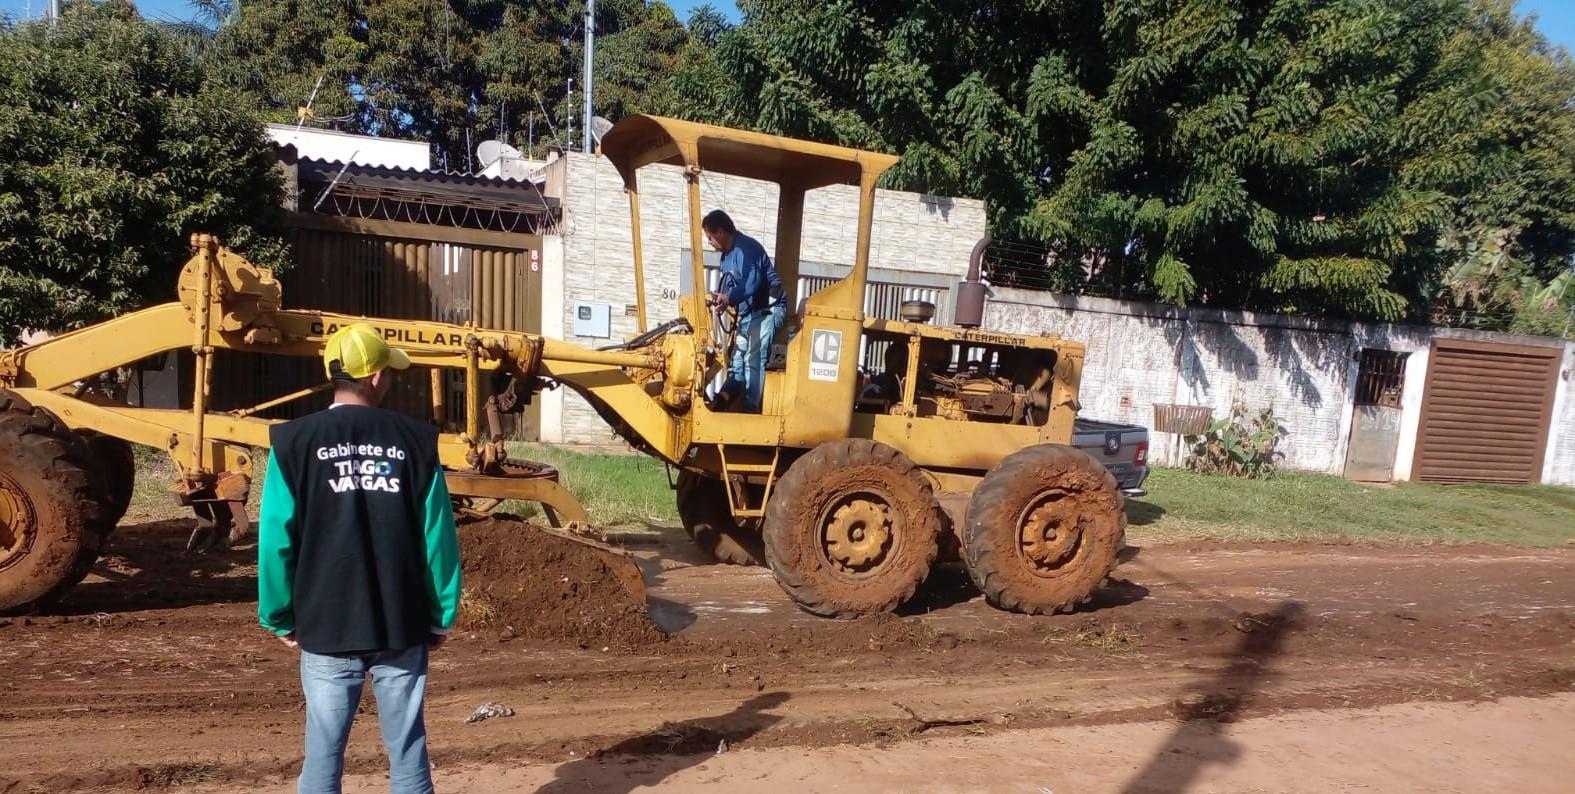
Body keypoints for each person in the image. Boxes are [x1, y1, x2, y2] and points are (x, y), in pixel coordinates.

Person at [257, 322, 461, 794]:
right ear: (374, 378)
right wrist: (441, 615)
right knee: (408, 748)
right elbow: (438, 539)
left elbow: (276, 538)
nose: (390, 379)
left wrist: (278, 616)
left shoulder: (293, 442)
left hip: (325, 624)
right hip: (401, 622)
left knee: (323, 754)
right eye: (388, 371)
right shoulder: (416, 441)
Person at [704, 209, 787, 413]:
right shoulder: (727, 256)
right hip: (749, 314)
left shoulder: (745, 249)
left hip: (769, 310)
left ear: (721, 232)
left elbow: (753, 282)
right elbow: (730, 286)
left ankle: (750, 409)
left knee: (753, 357)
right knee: (737, 360)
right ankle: (724, 399)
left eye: (710, 237)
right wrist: (723, 299)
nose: (709, 242)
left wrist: (729, 298)